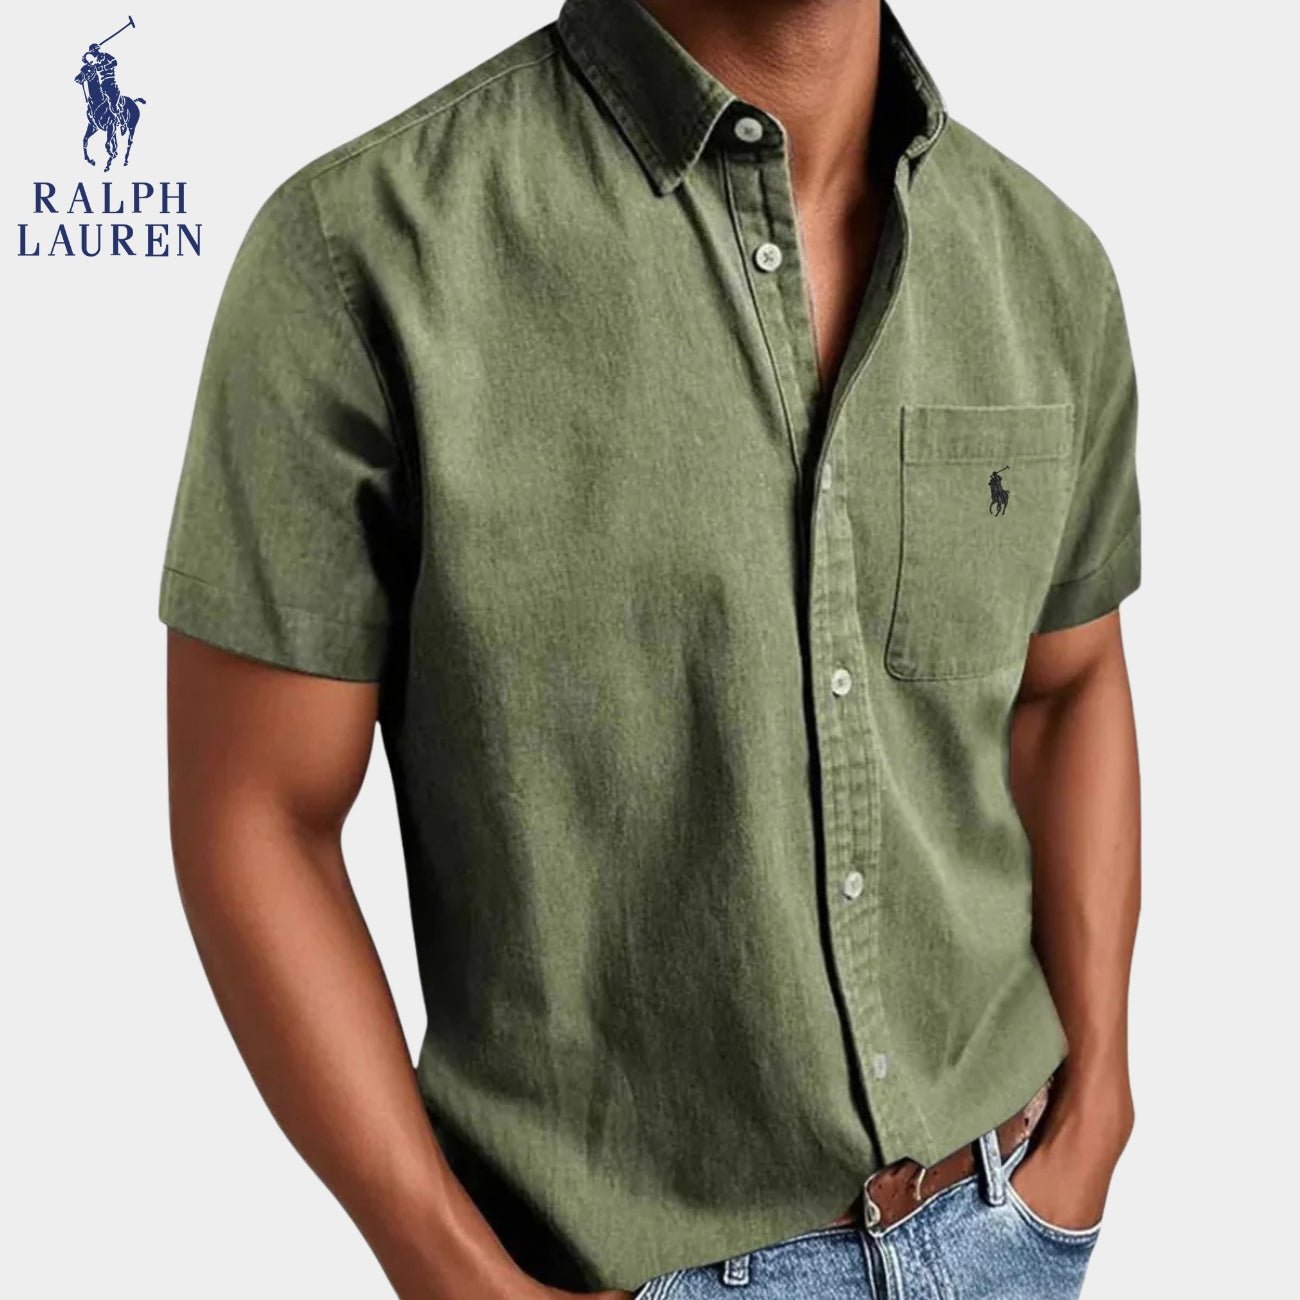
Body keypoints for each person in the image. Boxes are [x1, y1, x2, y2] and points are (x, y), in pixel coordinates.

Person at [158, 1, 1142, 1297]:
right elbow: (254, 814)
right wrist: (453, 1271)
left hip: (1011, 1222)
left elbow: (1067, 686)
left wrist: (1100, 1101)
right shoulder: (364, 257)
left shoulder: (1046, 265)